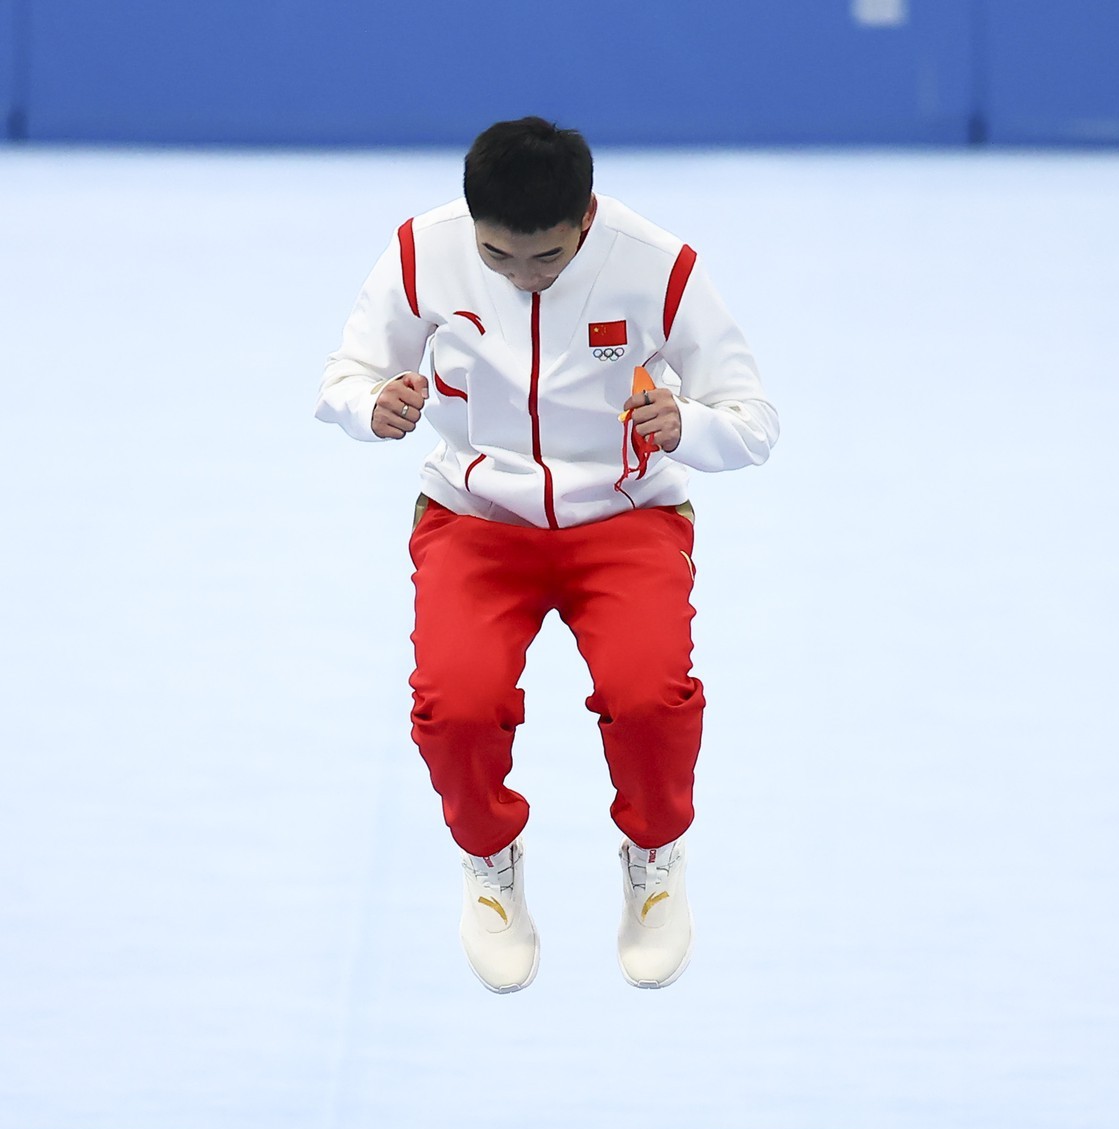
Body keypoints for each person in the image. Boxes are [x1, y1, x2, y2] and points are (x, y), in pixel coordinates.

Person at [316, 116, 778, 993]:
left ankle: (655, 855)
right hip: (476, 518)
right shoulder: (422, 253)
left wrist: (688, 425)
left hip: (625, 517)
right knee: (454, 707)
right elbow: (346, 373)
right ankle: (489, 862)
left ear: (587, 218)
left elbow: (753, 422)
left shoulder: (659, 267)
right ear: (472, 223)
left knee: (650, 698)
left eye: (549, 259)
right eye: (498, 256)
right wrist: (369, 407)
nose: (523, 277)